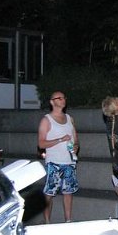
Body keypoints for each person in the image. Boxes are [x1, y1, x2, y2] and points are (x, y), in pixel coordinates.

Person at [37, 91, 79, 223]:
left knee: (68, 192)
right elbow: (41, 143)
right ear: (52, 102)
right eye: (59, 98)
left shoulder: (69, 118)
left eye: (64, 97)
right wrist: (60, 140)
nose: (63, 100)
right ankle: (47, 222)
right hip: (54, 162)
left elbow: (76, 139)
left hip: (69, 161)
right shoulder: (46, 120)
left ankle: (68, 221)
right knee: (49, 193)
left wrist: (75, 147)